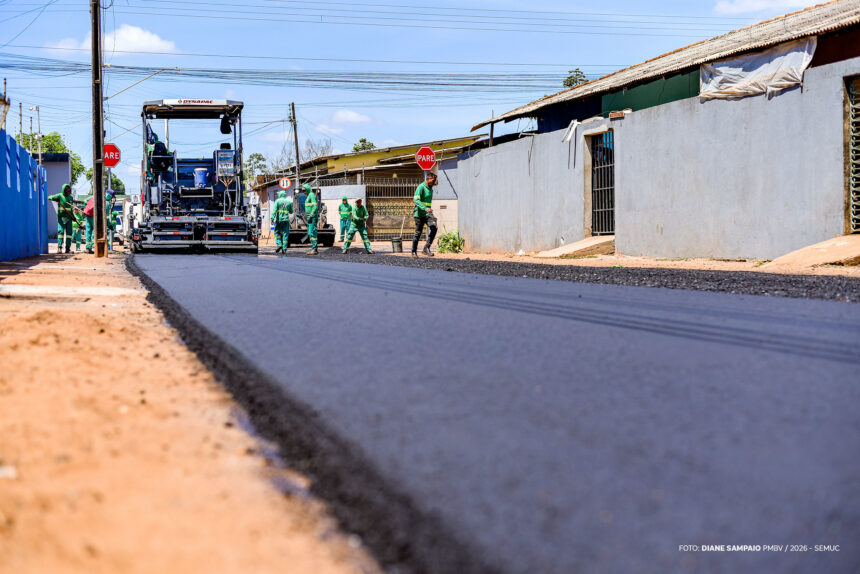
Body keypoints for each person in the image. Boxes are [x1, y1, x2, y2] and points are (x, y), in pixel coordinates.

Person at [411, 172, 438, 258]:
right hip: (419, 213)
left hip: (427, 214)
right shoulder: (421, 187)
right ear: (428, 179)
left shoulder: (431, 189)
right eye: (433, 181)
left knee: (434, 228)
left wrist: (428, 210)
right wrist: (425, 208)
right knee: (418, 233)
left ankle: (426, 248)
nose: (434, 183)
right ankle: (413, 252)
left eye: (435, 181)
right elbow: (415, 200)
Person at [48, 184, 75, 253]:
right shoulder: (60, 195)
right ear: (64, 190)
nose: (68, 192)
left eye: (69, 191)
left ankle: (67, 248)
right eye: (67, 191)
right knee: (61, 232)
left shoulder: (71, 197)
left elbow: (71, 208)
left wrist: (73, 216)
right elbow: (49, 197)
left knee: (69, 233)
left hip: (69, 218)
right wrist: (54, 198)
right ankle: (59, 248)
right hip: (61, 218)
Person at [303, 184, 319, 255]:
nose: (303, 192)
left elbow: (315, 207)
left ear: (307, 189)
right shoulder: (308, 196)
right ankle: (314, 248)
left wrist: (312, 216)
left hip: (312, 217)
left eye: (304, 190)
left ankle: (314, 249)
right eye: (302, 191)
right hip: (309, 217)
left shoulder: (311, 195)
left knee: (311, 232)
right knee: (310, 233)